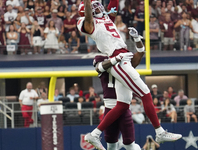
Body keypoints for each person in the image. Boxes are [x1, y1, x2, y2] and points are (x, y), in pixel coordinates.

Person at [78, 0, 182, 149]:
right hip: (118, 58)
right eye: (95, 6)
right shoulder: (89, 24)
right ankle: (159, 132)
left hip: (124, 57)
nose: (99, 6)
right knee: (146, 93)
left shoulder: (105, 18)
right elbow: (88, 18)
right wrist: (87, 3)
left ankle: (94, 134)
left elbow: (112, 7)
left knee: (122, 104)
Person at [91, 52, 143, 150]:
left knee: (129, 144)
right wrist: (117, 58)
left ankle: (94, 134)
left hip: (123, 106)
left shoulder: (123, 56)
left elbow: (136, 59)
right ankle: (94, 134)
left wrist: (138, 45)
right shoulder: (101, 58)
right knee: (111, 145)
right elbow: (100, 68)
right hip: (110, 106)